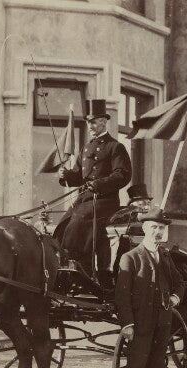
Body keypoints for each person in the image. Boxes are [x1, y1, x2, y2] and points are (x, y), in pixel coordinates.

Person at [115, 208, 184, 368]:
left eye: (161, 228)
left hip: (162, 322)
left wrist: (175, 297)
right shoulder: (131, 258)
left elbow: (180, 282)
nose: (157, 231)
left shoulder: (164, 256)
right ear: (145, 229)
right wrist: (127, 324)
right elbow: (122, 295)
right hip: (140, 323)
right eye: (153, 227)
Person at [55, 99, 132, 285]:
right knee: (63, 224)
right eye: (88, 122)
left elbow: (123, 175)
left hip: (104, 200)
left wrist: (98, 184)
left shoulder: (115, 147)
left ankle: (81, 273)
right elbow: (78, 176)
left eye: (94, 122)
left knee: (79, 222)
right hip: (85, 200)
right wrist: (66, 175)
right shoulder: (86, 147)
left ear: (104, 122)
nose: (90, 126)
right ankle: (70, 270)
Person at [107, 184, 153, 273]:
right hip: (125, 248)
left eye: (148, 204)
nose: (146, 207)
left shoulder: (152, 217)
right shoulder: (123, 214)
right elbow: (112, 222)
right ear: (132, 204)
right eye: (141, 204)